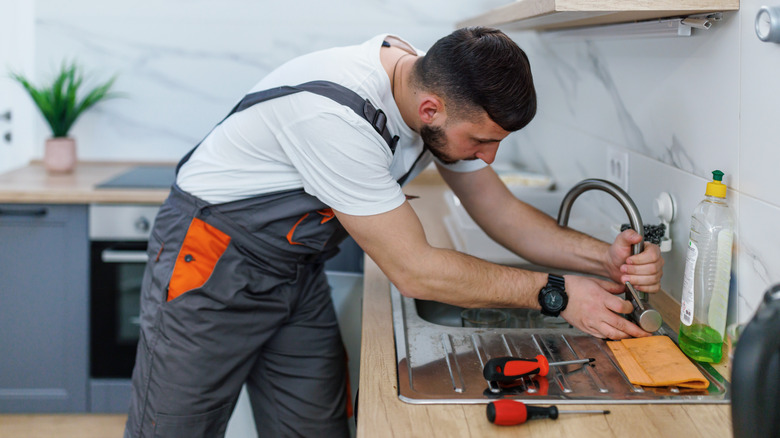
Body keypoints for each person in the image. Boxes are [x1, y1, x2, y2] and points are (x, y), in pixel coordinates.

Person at [124, 27, 663, 437]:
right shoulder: (335, 117)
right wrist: (559, 292)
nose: (489, 156)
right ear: (431, 109)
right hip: (214, 263)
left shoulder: (426, 87)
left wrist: (603, 259)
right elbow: (414, 270)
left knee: (315, 428)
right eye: (481, 140)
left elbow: (499, 212)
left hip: (294, 270)